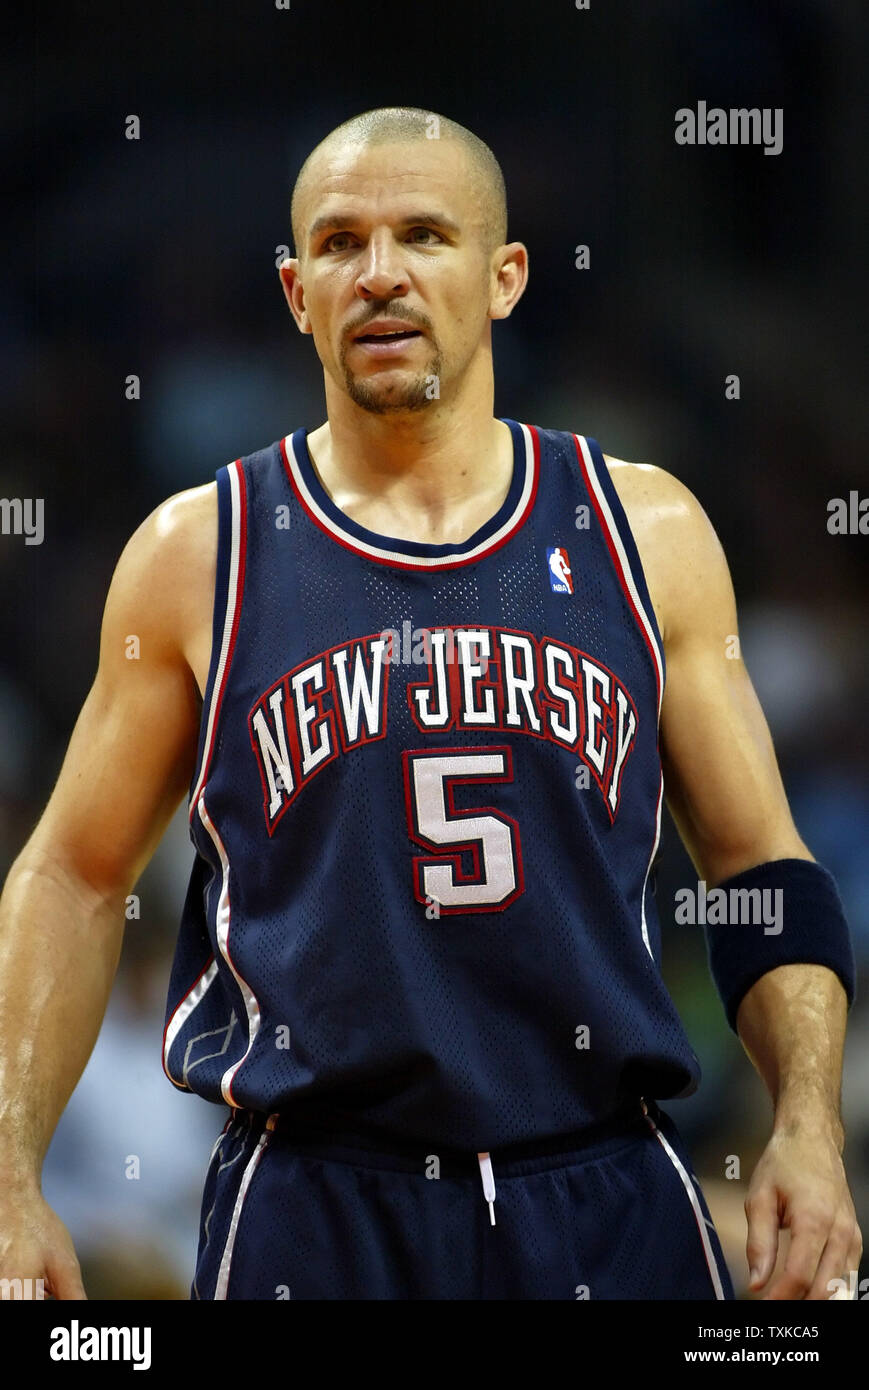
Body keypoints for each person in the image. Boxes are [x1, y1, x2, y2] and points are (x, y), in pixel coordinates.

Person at [0, 106, 860, 1301]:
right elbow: (72, 874)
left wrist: (807, 1127)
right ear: (297, 293)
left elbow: (759, 863)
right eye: (341, 243)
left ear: (504, 276)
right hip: (313, 1202)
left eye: (422, 234)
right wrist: (8, 1173)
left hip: (604, 1187)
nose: (380, 273)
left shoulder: (641, 529)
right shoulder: (201, 551)